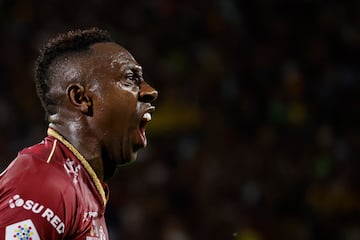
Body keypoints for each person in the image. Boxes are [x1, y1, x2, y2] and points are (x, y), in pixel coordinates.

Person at [0, 27, 158, 239]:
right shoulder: (46, 184)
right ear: (80, 98)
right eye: (130, 78)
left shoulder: (81, 188)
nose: (150, 91)